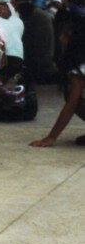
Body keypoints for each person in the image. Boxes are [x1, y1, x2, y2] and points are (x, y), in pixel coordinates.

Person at [30, 14, 85, 146]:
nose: (60, 38)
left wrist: (52, 137)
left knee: (73, 97)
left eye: (66, 35)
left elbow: (71, 105)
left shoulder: (79, 70)